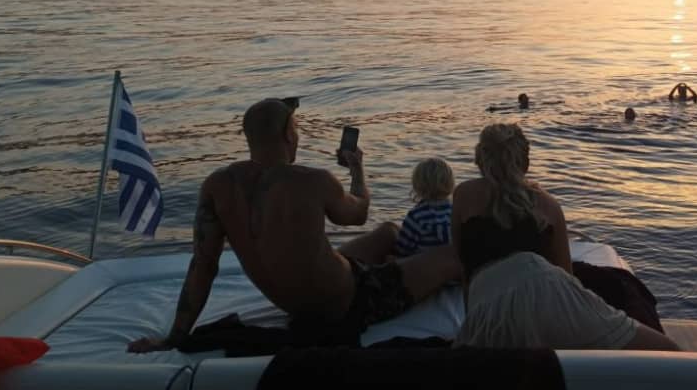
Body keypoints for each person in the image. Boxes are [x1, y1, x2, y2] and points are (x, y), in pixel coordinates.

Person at [127, 98, 460, 353]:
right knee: (453, 255)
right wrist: (357, 170)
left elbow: (203, 267)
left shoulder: (217, 186)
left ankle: (399, 264)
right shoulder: (313, 180)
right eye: (297, 129)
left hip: (295, 302)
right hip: (350, 303)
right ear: (288, 133)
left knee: (388, 232)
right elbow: (358, 213)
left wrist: (174, 337)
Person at [451, 123, 678, 351]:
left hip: (490, 299)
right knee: (665, 349)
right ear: (525, 163)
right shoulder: (548, 205)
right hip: (552, 294)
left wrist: (473, 320)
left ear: (480, 160)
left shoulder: (464, 194)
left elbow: (462, 267)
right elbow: (566, 275)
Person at [393, 157, 454, 257]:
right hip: (448, 262)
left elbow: (403, 249)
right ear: (450, 183)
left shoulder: (416, 215)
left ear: (417, 185)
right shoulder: (455, 211)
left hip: (419, 264)